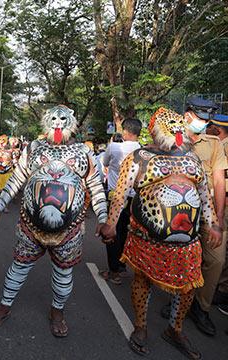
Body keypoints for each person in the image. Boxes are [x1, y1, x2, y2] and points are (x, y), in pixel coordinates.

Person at [102, 107, 222, 359]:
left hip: (187, 242)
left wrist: (213, 224)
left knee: (188, 286)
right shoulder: (138, 157)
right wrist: (111, 224)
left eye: (179, 126)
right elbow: (120, 194)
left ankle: (175, 330)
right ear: (155, 132)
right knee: (142, 281)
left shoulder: (193, 159)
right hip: (146, 238)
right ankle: (141, 326)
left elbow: (203, 194)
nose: (176, 131)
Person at [0, 105, 108, 337]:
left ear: (71, 123)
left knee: (63, 274)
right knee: (19, 267)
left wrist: (103, 217)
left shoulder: (83, 151)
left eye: (63, 118)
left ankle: (57, 312)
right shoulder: (33, 148)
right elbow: (17, 178)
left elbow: (96, 186)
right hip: (30, 227)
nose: (58, 122)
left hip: (69, 231)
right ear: (46, 121)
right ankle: (4, 306)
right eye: (53, 118)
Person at [161, 97, 228, 336]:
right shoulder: (170, 140)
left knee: (216, 260)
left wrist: (218, 220)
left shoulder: (214, 144)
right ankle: (178, 300)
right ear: (187, 114)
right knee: (180, 257)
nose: (205, 122)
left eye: (207, 118)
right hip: (179, 211)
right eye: (201, 117)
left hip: (209, 211)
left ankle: (201, 307)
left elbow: (220, 181)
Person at [100, 119, 142, 285]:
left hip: (116, 197)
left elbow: (104, 163)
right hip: (134, 199)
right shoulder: (143, 150)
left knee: (111, 232)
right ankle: (123, 266)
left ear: (125, 131)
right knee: (127, 232)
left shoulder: (115, 147)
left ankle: (114, 272)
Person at [206, 114, 228, 315]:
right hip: (209, 206)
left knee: (216, 256)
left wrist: (219, 215)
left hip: (217, 206)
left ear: (216, 129)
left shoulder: (221, 146)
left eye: (209, 125)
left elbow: (222, 181)